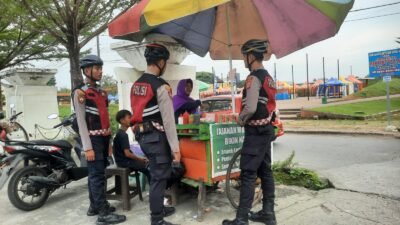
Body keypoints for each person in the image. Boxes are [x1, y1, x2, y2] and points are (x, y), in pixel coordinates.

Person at [222, 40, 277, 225]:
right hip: (266, 129)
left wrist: (240, 119)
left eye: (245, 56)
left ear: (251, 56)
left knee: (248, 173)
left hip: (255, 132)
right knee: (265, 171)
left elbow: (251, 107)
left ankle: (241, 218)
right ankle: (268, 213)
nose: (244, 60)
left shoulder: (253, 78)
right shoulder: (269, 77)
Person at [130, 43, 181, 225]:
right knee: (160, 178)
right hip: (156, 137)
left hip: (143, 137)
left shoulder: (137, 84)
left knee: (157, 175)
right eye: (165, 62)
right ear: (160, 62)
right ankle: (157, 219)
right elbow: (168, 121)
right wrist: (176, 148)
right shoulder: (160, 86)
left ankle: (159, 208)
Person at [73, 55, 126, 225]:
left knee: (97, 174)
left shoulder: (102, 93)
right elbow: (81, 122)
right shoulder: (80, 92)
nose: (100, 71)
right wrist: (87, 147)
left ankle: (94, 207)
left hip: (103, 139)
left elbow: (105, 120)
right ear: (87, 71)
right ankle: (102, 214)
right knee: (97, 176)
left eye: (101, 68)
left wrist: (109, 144)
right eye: (97, 68)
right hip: (92, 140)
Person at [113, 110, 151, 182]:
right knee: (148, 168)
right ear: (122, 120)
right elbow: (127, 154)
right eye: (129, 118)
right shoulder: (123, 135)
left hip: (120, 161)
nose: (132, 119)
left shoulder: (119, 132)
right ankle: (154, 190)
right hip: (124, 162)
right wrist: (140, 159)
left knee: (146, 163)